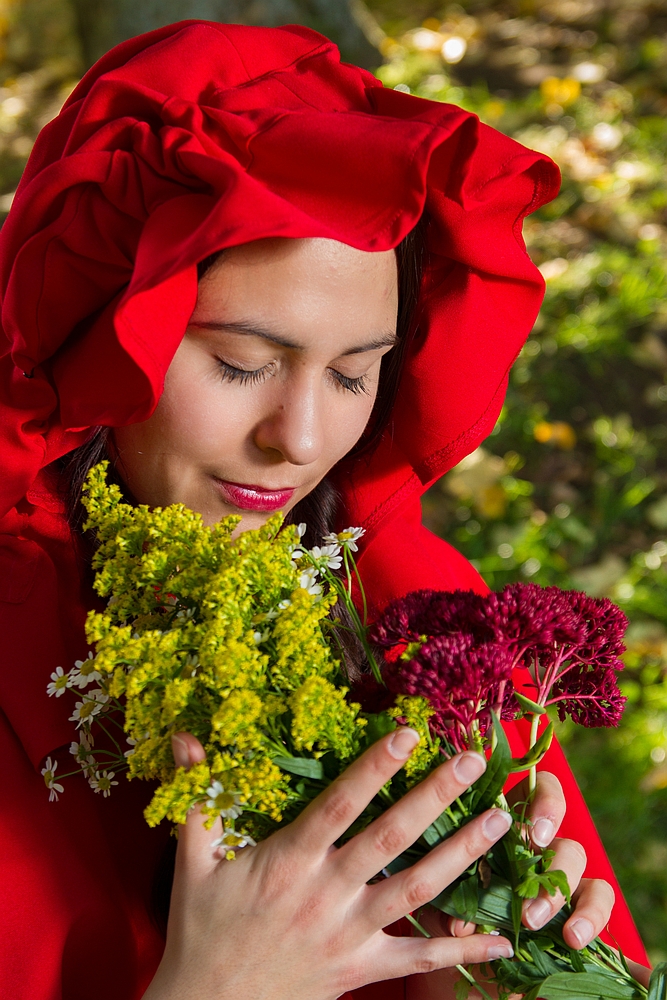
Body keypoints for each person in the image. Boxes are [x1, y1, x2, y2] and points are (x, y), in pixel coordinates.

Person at [0, 19, 649, 1000]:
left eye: (353, 375)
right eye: (240, 362)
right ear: (94, 332)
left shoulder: (408, 604)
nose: (298, 439)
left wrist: (473, 966)